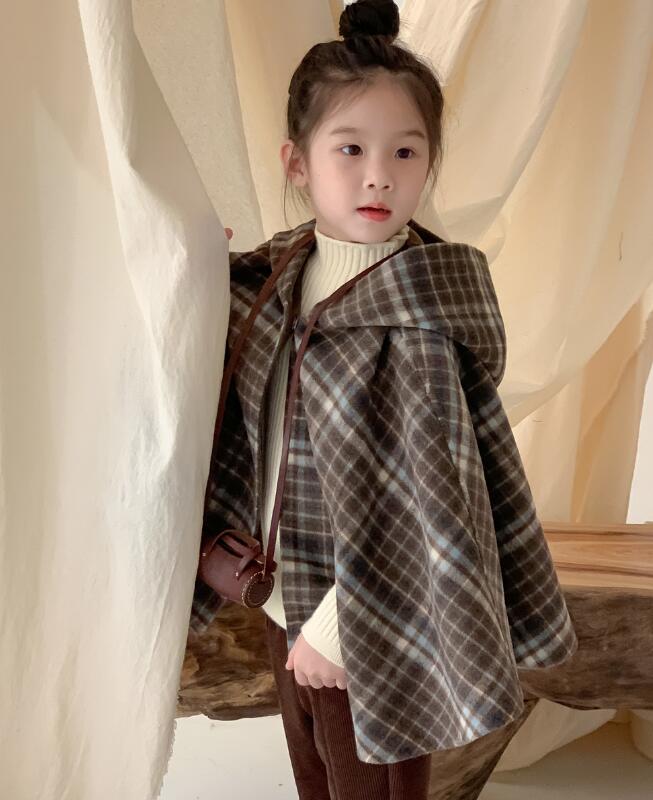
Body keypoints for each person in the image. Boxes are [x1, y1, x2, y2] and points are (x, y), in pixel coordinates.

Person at [191, 1, 578, 797]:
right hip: (287, 596)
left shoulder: (413, 321)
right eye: (350, 148)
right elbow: (219, 348)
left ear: (428, 164)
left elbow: (427, 504)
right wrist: (191, 263)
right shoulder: (282, 276)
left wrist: (336, 629)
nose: (378, 174)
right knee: (319, 780)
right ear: (296, 163)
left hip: (367, 619)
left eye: (405, 150)